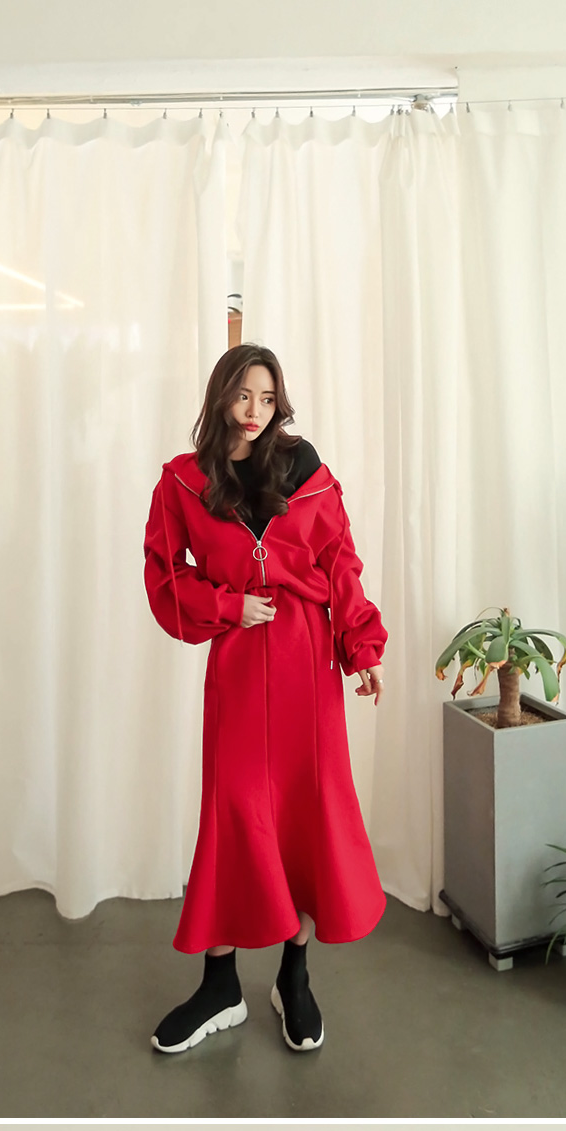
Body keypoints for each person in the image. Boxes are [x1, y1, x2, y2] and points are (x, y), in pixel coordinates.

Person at [144, 344, 387, 1058]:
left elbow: (339, 561)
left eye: (268, 397)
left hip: (307, 660)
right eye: (243, 395)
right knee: (233, 813)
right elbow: (163, 575)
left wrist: (362, 647)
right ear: (221, 396)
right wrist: (227, 605)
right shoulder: (184, 482)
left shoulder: (304, 469)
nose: (255, 410)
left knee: (305, 814)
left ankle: (294, 976)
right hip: (241, 664)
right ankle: (220, 985)